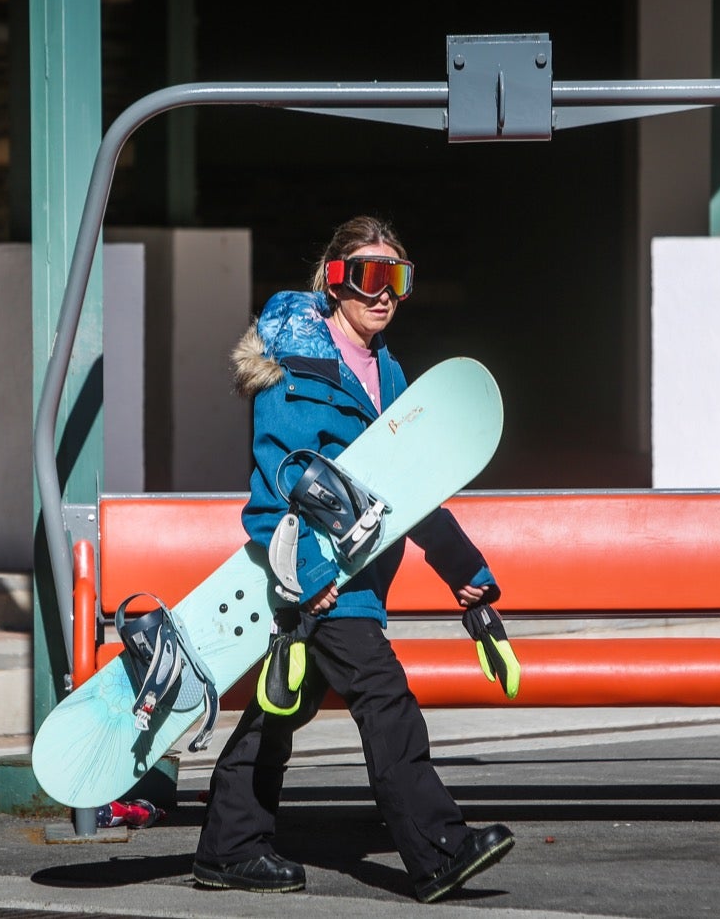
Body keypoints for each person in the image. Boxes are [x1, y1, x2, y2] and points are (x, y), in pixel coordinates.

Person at [192, 215, 514, 903]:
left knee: (281, 711)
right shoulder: (295, 369)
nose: (385, 293)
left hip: (358, 573)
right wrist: (308, 580)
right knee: (384, 698)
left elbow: (411, 487)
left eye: (398, 278)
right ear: (336, 279)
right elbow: (276, 487)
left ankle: (228, 846)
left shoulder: (385, 369)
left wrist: (467, 573)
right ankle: (439, 851)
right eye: (370, 276)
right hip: (320, 580)